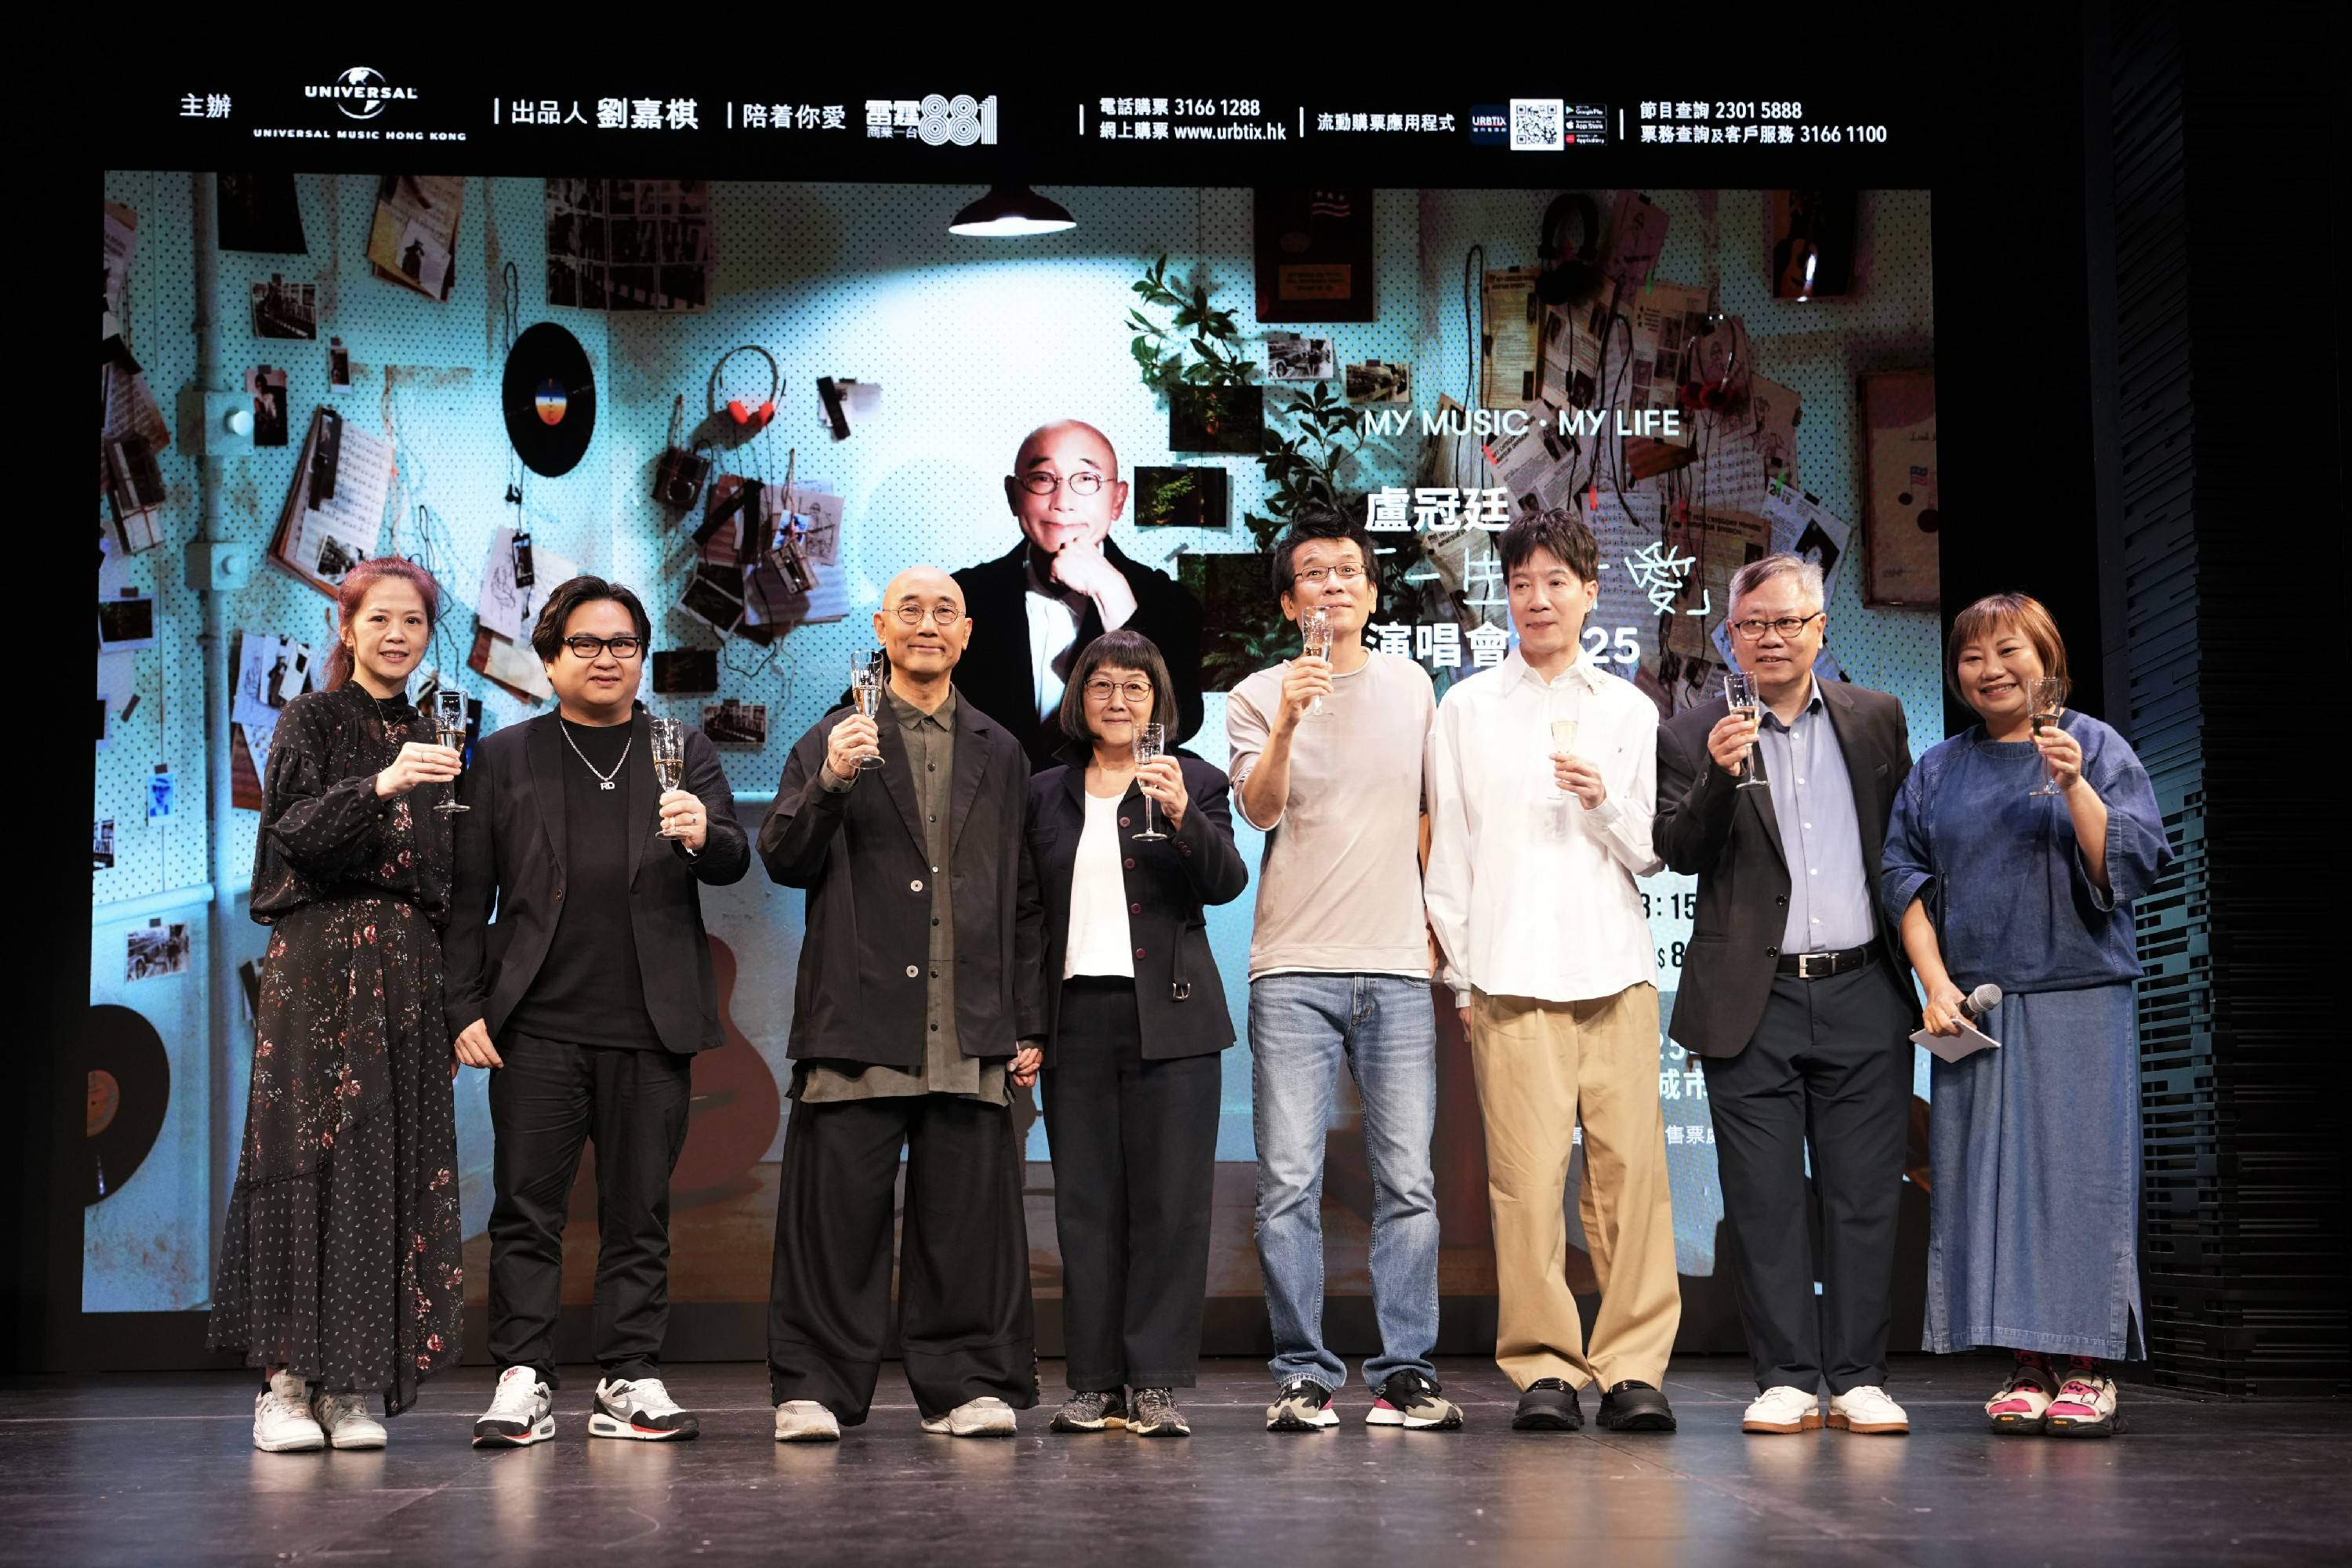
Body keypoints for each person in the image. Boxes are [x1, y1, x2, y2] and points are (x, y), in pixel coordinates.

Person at [445, 576, 749, 1448]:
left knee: (638, 1212)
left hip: (651, 1023)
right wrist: (462, 1003)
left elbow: (733, 858)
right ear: (549, 660)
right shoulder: (506, 756)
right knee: (525, 1209)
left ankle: (629, 1376)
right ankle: (522, 1376)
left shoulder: (681, 747)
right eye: (584, 643)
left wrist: (704, 834)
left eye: (622, 644)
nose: (605, 657)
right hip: (536, 1024)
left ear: (641, 657)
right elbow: (468, 896)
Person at [760, 566, 1047, 1442]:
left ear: (966, 635)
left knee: (965, 1224)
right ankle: (815, 1387)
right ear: (882, 629)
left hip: (968, 1023)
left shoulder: (1001, 749)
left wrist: (1027, 1019)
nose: (928, 624)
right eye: (910, 610)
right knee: (834, 1221)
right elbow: (783, 856)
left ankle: (967, 1384)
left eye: (944, 612)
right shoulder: (832, 736)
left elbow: (1024, 897)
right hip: (856, 1018)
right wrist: (830, 781)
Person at [1884, 593, 2172, 1439]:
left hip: (2079, 993)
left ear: (2047, 658)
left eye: (2008, 651)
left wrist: (2074, 784)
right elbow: (1902, 878)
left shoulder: (2095, 744)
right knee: (1985, 1186)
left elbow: (2128, 861)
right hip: (1975, 1006)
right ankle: (2027, 1364)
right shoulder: (1938, 768)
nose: (1990, 670)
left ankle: (2086, 1367)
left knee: (2079, 1181)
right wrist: (1935, 983)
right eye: (1973, 657)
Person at [1654, 553, 1918, 1437]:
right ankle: (1786, 1377)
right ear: (1728, 636)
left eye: (1788, 621)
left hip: (1864, 986)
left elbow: (1904, 850)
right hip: (1751, 997)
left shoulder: (1876, 718)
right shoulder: (1693, 731)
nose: (1770, 638)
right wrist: (1717, 776)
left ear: (1820, 628)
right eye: (1752, 624)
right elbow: (1678, 851)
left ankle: (1860, 1376)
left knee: (1863, 1195)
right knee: (1763, 1197)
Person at [1426, 510, 1679, 1436]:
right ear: (1506, 595)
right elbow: (1450, 855)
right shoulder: (1466, 708)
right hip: (1509, 974)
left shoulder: (1628, 709)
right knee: (1526, 1185)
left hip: (1615, 971)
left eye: (1556, 582)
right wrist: (1463, 978)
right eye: (1522, 583)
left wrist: (1603, 799)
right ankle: (1543, 1365)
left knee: (1630, 1181)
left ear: (1590, 591)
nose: (1538, 599)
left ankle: (1633, 1366)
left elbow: (1651, 850)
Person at [209, 557, 465, 1453]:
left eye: (414, 621)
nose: (397, 635)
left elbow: (445, 873)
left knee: (381, 1161)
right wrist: (384, 783)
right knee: (301, 1154)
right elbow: (292, 831)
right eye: (379, 618)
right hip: (319, 960)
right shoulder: (311, 718)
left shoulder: (436, 732)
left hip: (406, 967)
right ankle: (284, 1382)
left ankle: (350, 1381)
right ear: (347, 628)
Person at [1226, 502, 1457, 1432]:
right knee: (1288, 1182)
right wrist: (1288, 717)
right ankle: (1303, 1373)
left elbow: (1431, 814)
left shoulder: (1412, 685)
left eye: (1348, 571)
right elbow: (1259, 808)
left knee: (1409, 1181)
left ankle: (1406, 1371)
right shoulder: (1256, 693)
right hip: (1293, 966)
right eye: (1314, 574)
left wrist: (1438, 925)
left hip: (1396, 965)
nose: (1334, 585)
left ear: (1371, 589)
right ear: (1290, 602)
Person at [1027, 630, 1249, 1439]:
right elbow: (1024, 914)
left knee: (1170, 1206)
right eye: (1102, 686)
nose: (1117, 701)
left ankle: (1154, 1381)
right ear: (1079, 699)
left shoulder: (1196, 779)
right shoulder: (1043, 792)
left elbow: (1225, 882)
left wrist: (1185, 815)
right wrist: (1024, 1024)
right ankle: (1093, 1382)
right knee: (1085, 1206)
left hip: (1175, 1019)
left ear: (1159, 702)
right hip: (1075, 1018)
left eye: (1135, 687)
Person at [953, 419, 1205, 771]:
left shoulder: (1169, 602)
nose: (1063, 503)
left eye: (1086, 479)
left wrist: (1113, 595)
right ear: (1013, 495)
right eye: (1043, 479)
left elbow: (1179, 724)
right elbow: (894, 705)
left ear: (1118, 500)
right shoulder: (960, 597)